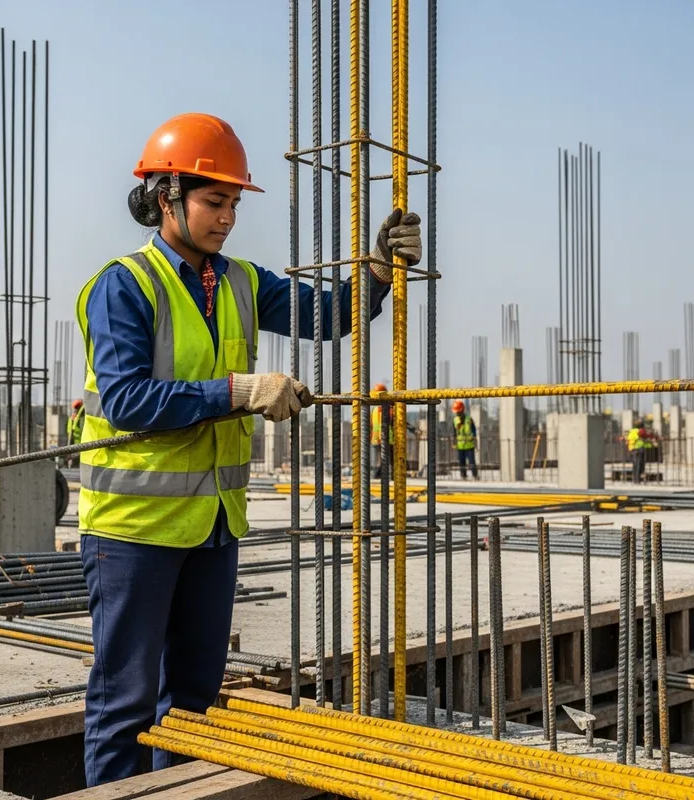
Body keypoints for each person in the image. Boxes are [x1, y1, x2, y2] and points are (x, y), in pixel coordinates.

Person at [75, 112, 423, 787]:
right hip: (132, 535)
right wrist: (239, 391)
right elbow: (127, 401)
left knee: (194, 708)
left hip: (213, 529)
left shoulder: (237, 281)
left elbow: (328, 316)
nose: (228, 217)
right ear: (165, 195)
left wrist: (379, 271)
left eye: (233, 202)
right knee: (124, 705)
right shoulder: (124, 286)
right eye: (214, 200)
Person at [452, 400, 478, 479]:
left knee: (472, 462)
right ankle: (463, 476)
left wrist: (473, 437)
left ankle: (475, 476)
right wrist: (454, 442)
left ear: (461, 410)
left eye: (457, 411)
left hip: (469, 445)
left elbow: (473, 430)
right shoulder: (455, 420)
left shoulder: (469, 419)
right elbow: (454, 432)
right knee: (461, 462)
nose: (456, 413)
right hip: (460, 445)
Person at [627, 417, 650, 484]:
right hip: (637, 449)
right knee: (638, 465)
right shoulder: (638, 431)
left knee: (637, 465)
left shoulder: (633, 431)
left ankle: (637, 479)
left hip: (635, 449)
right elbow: (637, 440)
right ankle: (637, 480)